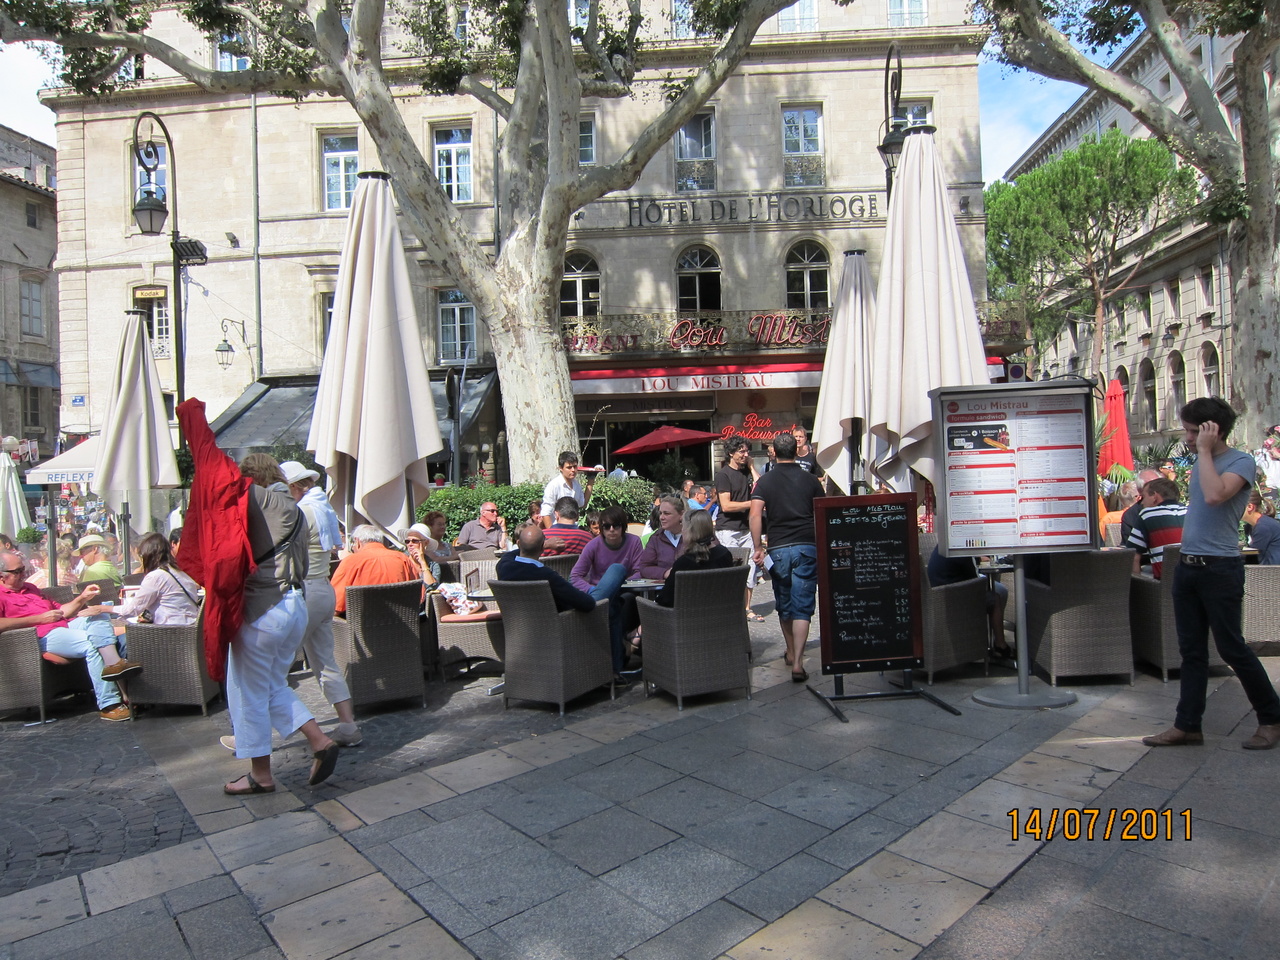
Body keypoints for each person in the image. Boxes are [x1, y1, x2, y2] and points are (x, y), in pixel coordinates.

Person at [1143, 398, 1280, 751]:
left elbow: (1217, 496)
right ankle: (1187, 726)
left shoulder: (1240, 462)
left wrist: (1204, 451)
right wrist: (1202, 454)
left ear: (1212, 430)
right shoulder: (1200, 461)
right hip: (1188, 566)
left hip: (1220, 567)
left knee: (1232, 648)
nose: (1187, 438)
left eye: (1193, 431)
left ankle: (1271, 718)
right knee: (1191, 652)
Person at [224, 454, 339, 795]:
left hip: (263, 606)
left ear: (250, 477)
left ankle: (261, 775)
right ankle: (319, 740)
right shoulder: (297, 508)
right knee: (273, 684)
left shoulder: (255, 499)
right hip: (294, 603)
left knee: (250, 693)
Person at [0, 551, 140, 721]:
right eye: (17, 572)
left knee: (98, 614)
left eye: (23, 569)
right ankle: (109, 704)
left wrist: (82, 598)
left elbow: (62, 611)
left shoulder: (31, 588)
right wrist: (39, 619)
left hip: (63, 624)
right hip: (40, 636)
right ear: (2, 576)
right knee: (92, 643)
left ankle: (113, 663)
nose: (23, 574)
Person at [281, 460, 362, 748]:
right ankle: (348, 726)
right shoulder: (322, 507)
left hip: (305, 591)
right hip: (323, 589)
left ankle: (251, 735)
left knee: (272, 667)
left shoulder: (301, 512)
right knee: (325, 661)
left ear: (293, 486)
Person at [750, 432, 825, 681]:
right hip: (807, 546)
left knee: (784, 603)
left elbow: (755, 514)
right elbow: (822, 513)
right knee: (803, 606)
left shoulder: (765, 481)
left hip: (778, 548)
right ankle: (799, 663)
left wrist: (758, 546)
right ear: (796, 450)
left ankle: (791, 651)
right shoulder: (811, 480)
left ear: (774, 452)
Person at [571, 505, 641, 675]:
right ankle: (617, 668)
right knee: (612, 604)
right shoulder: (593, 545)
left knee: (618, 584)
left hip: (624, 590)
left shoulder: (634, 542)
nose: (611, 530)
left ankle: (614, 669)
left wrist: (617, 585)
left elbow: (640, 572)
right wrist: (594, 590)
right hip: (599, 594)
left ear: (623, 526)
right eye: (606, 526)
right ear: (601, 528)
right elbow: (575, 576)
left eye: (616, 525)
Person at [96, 532, 199, 625]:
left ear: (147, 555)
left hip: (170, 630)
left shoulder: (156, 576)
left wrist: (102, 608)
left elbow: (133, 609)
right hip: (189, 626)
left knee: (114, 629)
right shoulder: (178, 571)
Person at [926, 546, 1011, 658]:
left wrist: (977, 559)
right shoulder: (961, 551)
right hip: (959, 600)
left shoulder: (943, 548)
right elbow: (974, 579)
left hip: (940, 597)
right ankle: (1000, 644)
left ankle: (991, 640)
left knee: (998, 590)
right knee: (996, 597)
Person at [496, 525, 600, 612]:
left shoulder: (503, 566)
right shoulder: (547, 575)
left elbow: (509, 555)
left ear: (518, 544)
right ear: (542, 547)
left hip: (516, 626)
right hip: (556, 626)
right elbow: (587, 603)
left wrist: (538, 545)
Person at [714, 436, 764, 621]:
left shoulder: (746, 472)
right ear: (730, 453)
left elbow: (762, 488)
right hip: (728, 529)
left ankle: (747, 608)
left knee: (750, 569)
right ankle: (731, 608)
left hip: (746, 528)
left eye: (747, 451)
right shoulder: (723, 475)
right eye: (741, 451)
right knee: (731, 570)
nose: (745, 454)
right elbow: (726, 506)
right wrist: (752, 504)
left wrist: (752, 467)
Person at [330, 524, 420, 615]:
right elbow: (419, 596)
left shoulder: (350, 562)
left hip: (362, 622)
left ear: (358, 542)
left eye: (353, 544)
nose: (352, 548)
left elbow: (334, 605)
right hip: (402, 620)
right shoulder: (403, 559)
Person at [656, 511, 733, 607]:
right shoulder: (725, 554)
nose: (682, 530)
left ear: (689, 531)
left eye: (683, 526)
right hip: (722, 612)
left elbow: (666, 599)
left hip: (688, 615)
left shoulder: (685, 562)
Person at [1124, 477, 1186, 579]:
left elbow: (1132, 557)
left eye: (1143, 497)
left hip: (1165, 582)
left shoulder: (1147, 514)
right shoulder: (1189, 511)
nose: (1142, 503)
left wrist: (1137, 586)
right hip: (1192, 578)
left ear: (1154, 496)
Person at [539, 451, 594, 528]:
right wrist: (552, 533)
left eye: (575, 466)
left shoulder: (576, 485)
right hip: (557, 529)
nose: (573, 470)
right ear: (561, 468)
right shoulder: (553, 486)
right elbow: (545, 513)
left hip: (573, 529)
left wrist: (591, 480)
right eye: (569, 467)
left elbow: (582, 504)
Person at [636, 495, 685, 579]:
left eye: (667, 513)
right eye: (660, 513)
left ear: (681, 515)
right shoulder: (656, 538)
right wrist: (665, 573)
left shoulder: (695, 535)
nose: (661, 517)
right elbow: (644, 567)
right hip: (664, 585)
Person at [1120, 469, 1163, 545]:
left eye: (1160, 485)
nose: (1157, 492)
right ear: (1140, 491)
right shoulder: (1131, 516)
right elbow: (1131, 549)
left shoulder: (1176, 509)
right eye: (1152, 490)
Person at [1244, 490, 1280, 564]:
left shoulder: (1263, 527)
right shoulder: (1250, 526)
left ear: (1250, 507)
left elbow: (1253, 555)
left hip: (1270, 569)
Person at [403, 523, 443, 587]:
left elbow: (432, 587)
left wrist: (423, 562)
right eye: (407, 541)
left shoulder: (433, 565)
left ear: (426, 543)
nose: (410, 544)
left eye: (414, 541)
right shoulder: (401, 560)